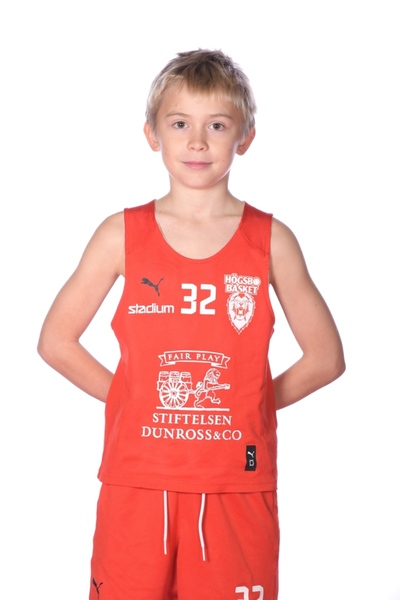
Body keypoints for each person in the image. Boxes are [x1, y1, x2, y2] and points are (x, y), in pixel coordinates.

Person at [37, 49, 345, 600]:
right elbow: (56, 342)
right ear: (152, 134)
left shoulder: (271, 240)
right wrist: (131, 400)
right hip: (137, 480)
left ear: (245, 137)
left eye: (217, 125)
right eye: (180, 123)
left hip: (235, 484)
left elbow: (326, 358)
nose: (197, 141)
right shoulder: (120, 234)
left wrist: (249, 405)